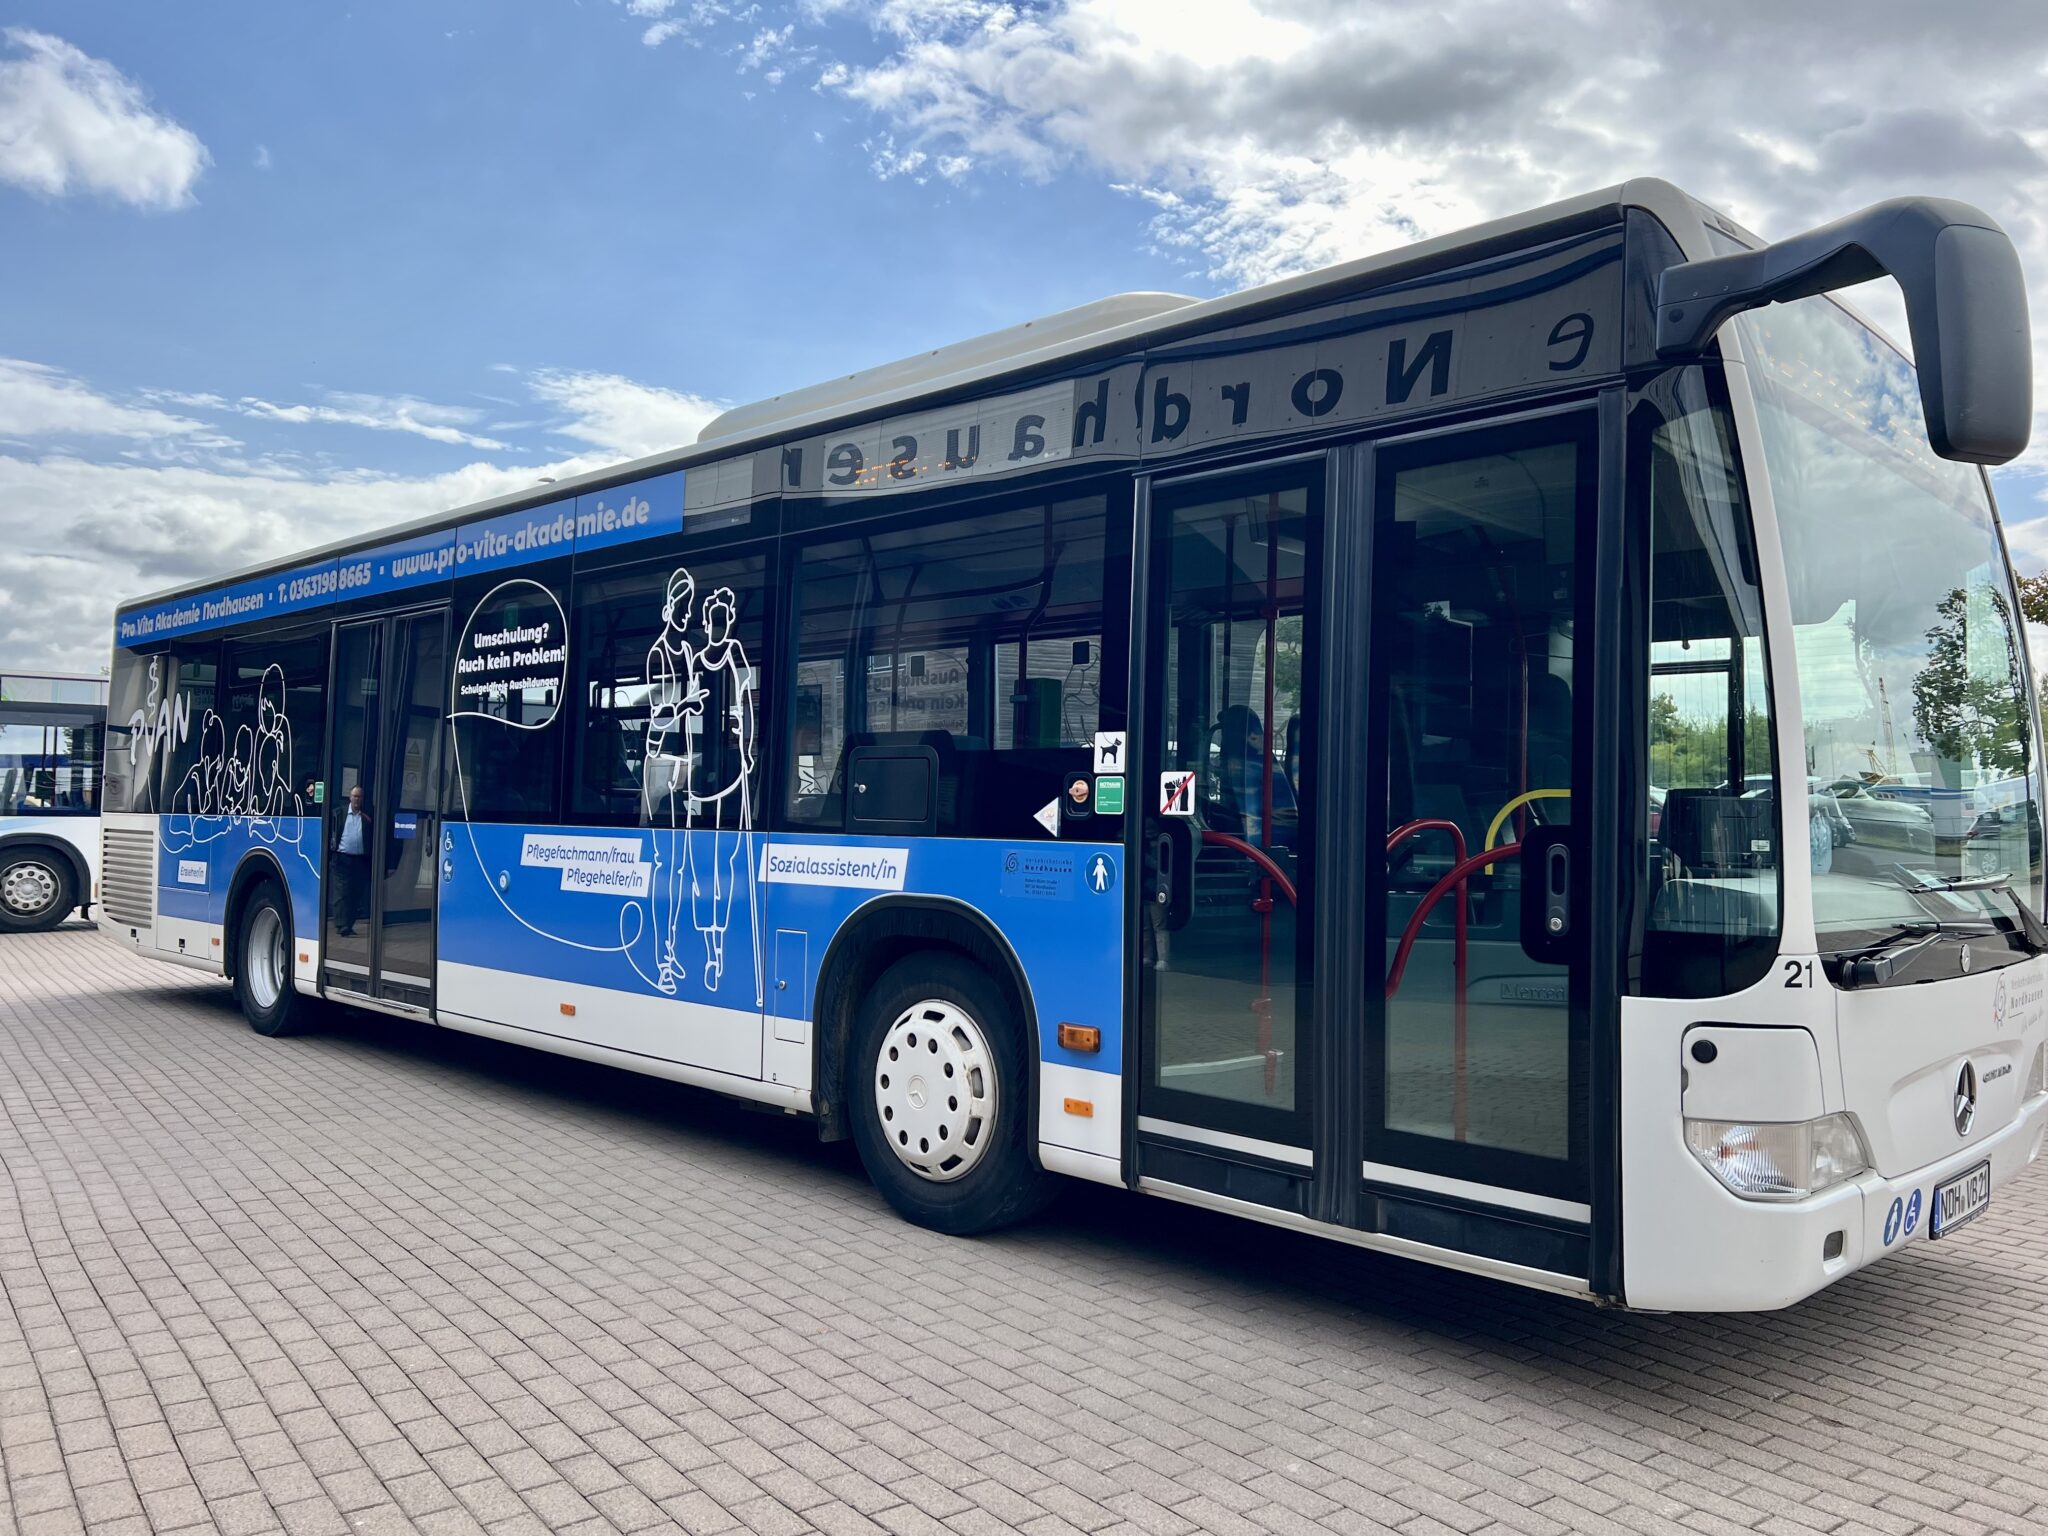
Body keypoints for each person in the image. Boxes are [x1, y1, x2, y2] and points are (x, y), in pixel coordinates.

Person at [1216, 704, 1298, 849]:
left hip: (1269, 845)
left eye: (1227, 735)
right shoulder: (1260, 762)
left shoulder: (1250, 768)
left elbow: (1250, 823)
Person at [329, 783, 372, 936]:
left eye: (359, 797)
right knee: (342, 892)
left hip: (360, 861)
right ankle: (342, 925)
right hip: (342, 858)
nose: (357, 799)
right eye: (354, 796)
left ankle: (349, 923)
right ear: (350, 797)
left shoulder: (366, 818)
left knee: (356, 893)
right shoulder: (338, 814)